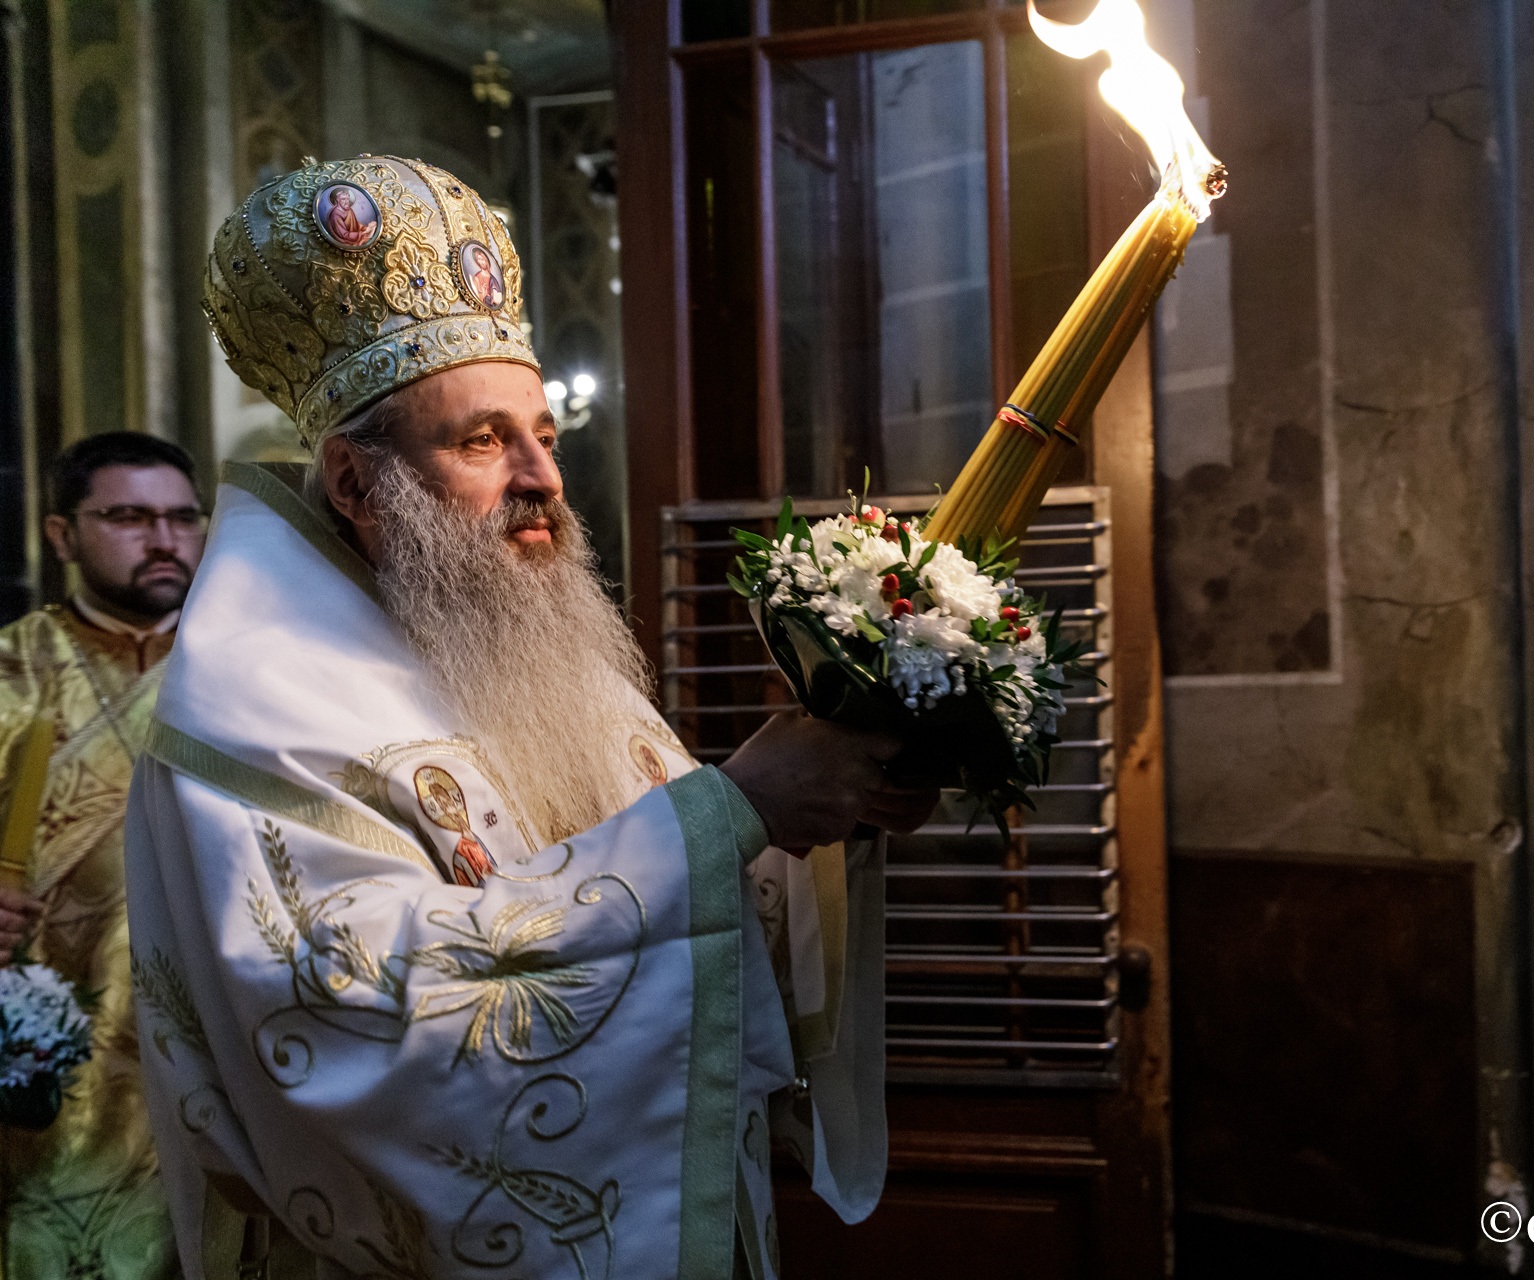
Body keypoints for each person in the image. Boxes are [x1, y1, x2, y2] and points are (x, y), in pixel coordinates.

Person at [131, 155, 934, 1280]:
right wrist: (736, 809)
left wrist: (818, 818)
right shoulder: (259, 704)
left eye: (545, 433)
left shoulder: (531, 647)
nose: (543, 476)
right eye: (480, 440)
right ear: (358, 485)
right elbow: (353, 1012)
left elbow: (701, 897)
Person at [0, 431, 206, 1280]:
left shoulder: (250, 672)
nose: (163, 539)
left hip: (226, 1061)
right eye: (128, 517)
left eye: (182, 518)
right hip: (60, 1085)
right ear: (60, 535)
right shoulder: (13, 672)